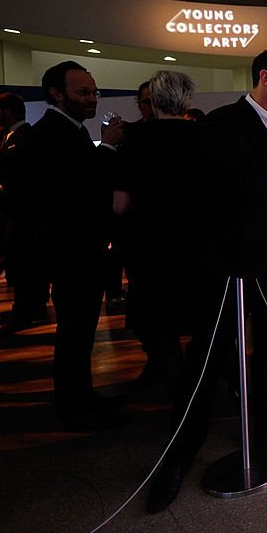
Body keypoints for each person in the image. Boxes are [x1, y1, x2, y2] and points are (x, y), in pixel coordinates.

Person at [147, 50, 267, 514]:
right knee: (207, 356)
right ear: (265, 78)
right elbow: (248, 184)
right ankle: (178, 457)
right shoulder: (224, 124)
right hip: (231, 264)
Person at [11, 61, 127, 430]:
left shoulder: (67, 130)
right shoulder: (49, 133)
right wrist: (108, 148)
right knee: (75, 329)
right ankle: (75, 407)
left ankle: (82, 398)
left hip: (77, 247)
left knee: (80, 329)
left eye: (94, 92)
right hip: (70, 250)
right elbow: (74, 188)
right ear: (56, 93)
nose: (91, 98)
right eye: (83, 92)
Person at [113, 70, 207, 407]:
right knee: (202, 323)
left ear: (152, 100)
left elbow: (120, 203)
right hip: (196, 246)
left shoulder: (134, 139)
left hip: (149, 247)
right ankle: (201, 395)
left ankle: (179, 396)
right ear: (188, 100)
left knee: (159, 327)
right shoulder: (204, 137)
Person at [0, 92, 47, 335]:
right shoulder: (10, 136)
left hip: (24, 212)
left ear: (8, 110)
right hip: (14, 211)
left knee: (22, 264)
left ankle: (22, 313)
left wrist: (0, 189)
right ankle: (31, 308)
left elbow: (31, 177)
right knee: (22, 262)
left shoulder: (26, 137)